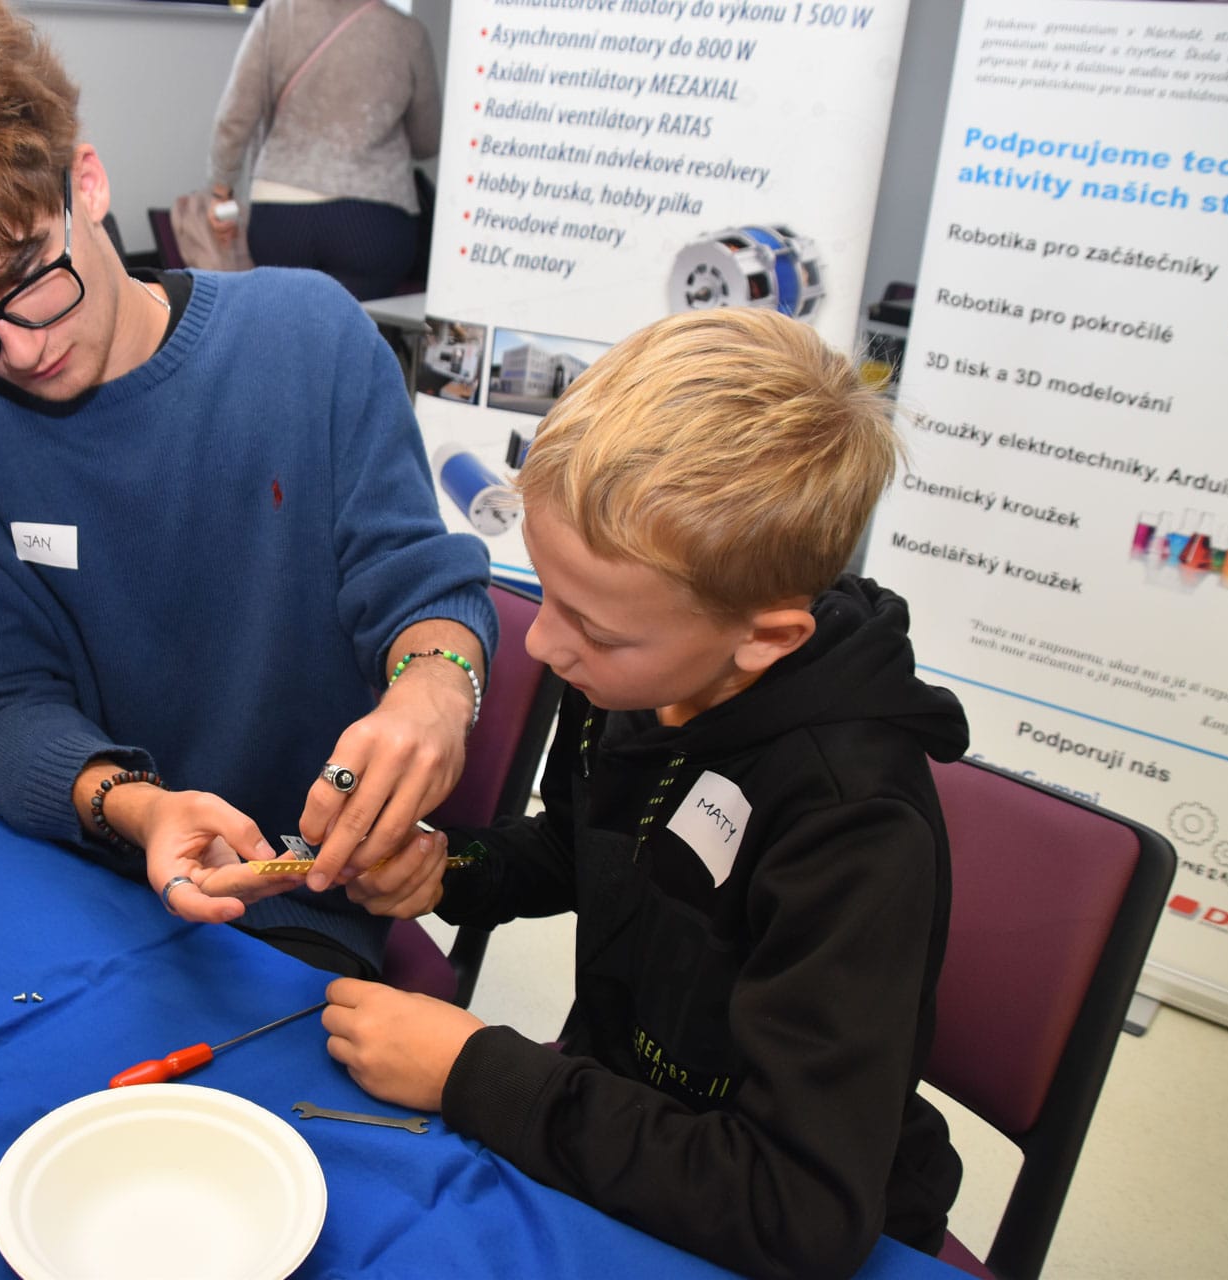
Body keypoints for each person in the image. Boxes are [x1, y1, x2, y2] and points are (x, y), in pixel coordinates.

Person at [0, 0, 495, 977]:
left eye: (27, 274)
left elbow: (416, 584)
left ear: (87, 181)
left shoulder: (306, 338)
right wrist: (139, 808)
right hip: (63, 869)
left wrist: (436, 690)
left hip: (287, 893)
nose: (18, 347)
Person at [323, 308, 970, 1278]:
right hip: (609, 1127)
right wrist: (447, 868)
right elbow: (584, 844)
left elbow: (797, 1210)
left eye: (594, 628)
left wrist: (475, 1070)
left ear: (765, 639)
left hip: (754, 1200)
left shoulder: (853, 824)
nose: (541, 644)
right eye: (546, 592)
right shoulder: (641, 677)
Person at [205, 0, 440, 301]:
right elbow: (427, 141)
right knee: (353, 323)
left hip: (281, 215)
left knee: (287, 319)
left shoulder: (277, 14)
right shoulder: (408, 33)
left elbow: (234, 116)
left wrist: (221, 192)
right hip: (372, 221)